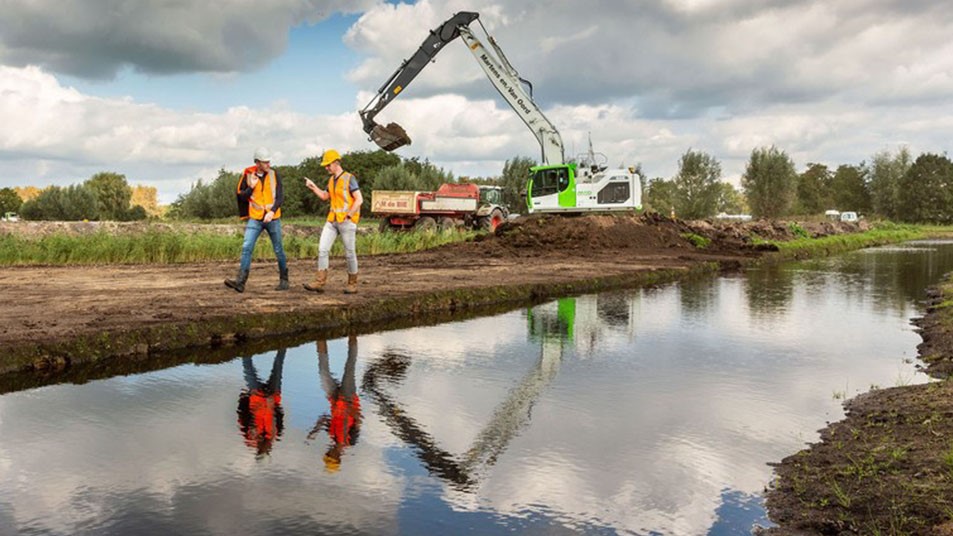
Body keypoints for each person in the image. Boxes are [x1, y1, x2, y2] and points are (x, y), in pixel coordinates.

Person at [225, 147, 289, 293]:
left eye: (268, 161)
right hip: (255, 218)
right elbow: (241, 196)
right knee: (247, 247)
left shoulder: (274, 175)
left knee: (278, 249)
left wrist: (272, 212)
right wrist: (252, 187)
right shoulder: (247, 175)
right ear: (257, 163)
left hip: (273, 218)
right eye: (265, 162)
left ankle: (284, 280)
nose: (268, 164)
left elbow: (280, 197)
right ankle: (240, 282)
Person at [303, 149, 362, 294]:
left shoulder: (349, 178)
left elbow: (359, 199)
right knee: (322, 249)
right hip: (332, 221)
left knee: (349, 253)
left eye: (328, 165)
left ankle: (352, 283)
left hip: (346, 222)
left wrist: (349, 216)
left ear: (336, 163)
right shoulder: (331, 180)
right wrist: (313, 187)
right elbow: (324, 196)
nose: (326, 168)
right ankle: (319, 282)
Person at [307, 336, 362, 473]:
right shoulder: (351, 440)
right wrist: (346, 404)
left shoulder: (332, 436)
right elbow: (358, 419)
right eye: (330, 456)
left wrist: (315, 430)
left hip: (334, 399)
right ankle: (353, 334)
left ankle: (320, 336)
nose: (328, 453)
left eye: (327, 455)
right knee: (350, 366)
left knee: (323, 371)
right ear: (337, 457)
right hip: (348, 397)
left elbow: (326, 419)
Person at [237, 348, 286, 457]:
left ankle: (246, 345)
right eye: (266, 450)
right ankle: (283, 345)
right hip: (273, 396)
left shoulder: (250, 437)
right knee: (278, 365)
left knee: (247, 367)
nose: (266, 448)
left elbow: (243, 415)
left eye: (262, 450)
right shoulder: (273, 435)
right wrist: (271, 403)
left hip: (256, 396)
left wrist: (245, 397)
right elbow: (276, 415)